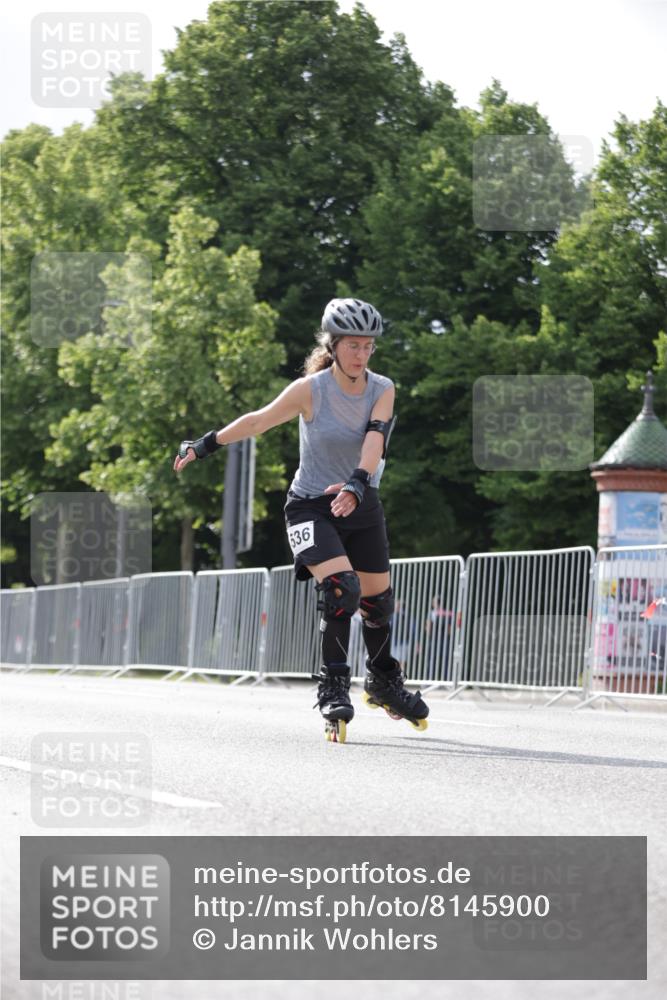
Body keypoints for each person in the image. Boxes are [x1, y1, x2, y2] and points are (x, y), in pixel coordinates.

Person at [173, 297, 429, 743]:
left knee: (378, 603)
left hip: (359, 500)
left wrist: (355, 483)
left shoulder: (381, 388)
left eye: (369, 346)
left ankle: (384, 682)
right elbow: (259, 421)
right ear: (333, 345)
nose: (362, 355)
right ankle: (333, 684)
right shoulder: (312, 389)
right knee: (340, 589)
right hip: (311, 505)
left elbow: (375, 442)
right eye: (353, 345)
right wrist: (203, 444)